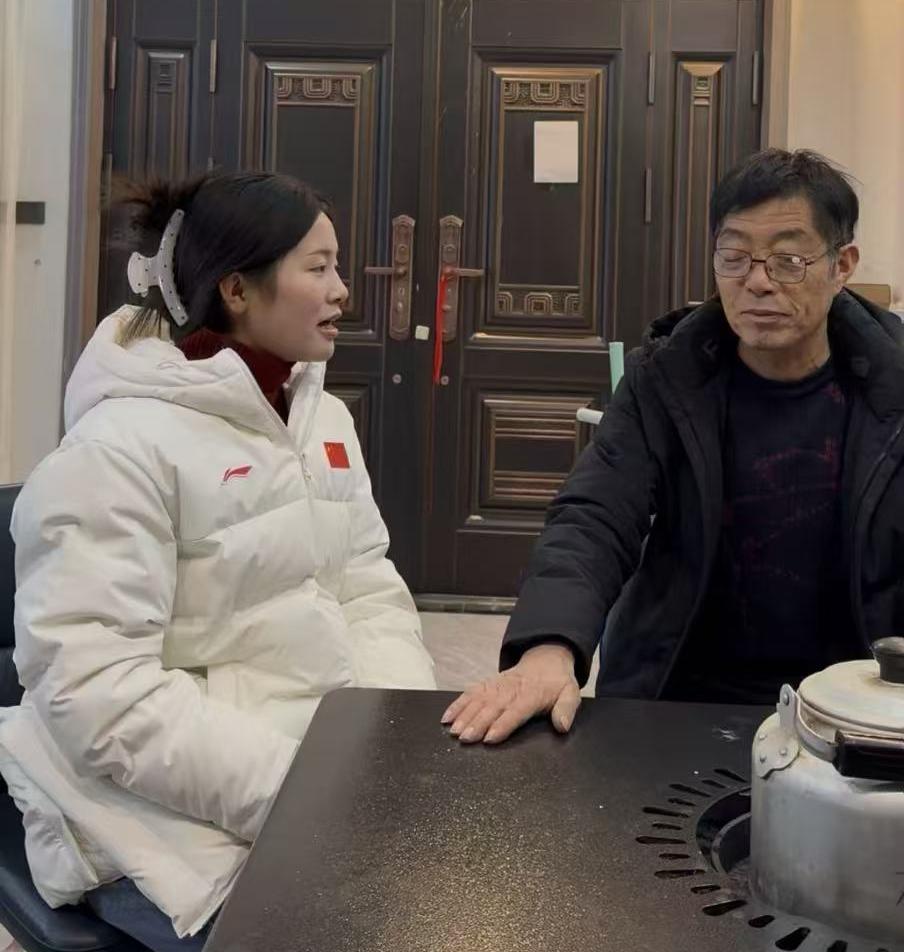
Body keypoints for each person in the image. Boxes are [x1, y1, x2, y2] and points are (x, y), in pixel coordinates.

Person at [0, 171, 435, 951]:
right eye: (319, 267)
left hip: (316, 784)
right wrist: (298, 791)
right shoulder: (117, 449)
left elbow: (368, 590)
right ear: (237, 289)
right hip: (153, 824)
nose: (342, 290)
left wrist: (391, 741)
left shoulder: (322, 419)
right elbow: (96, 693)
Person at [443, 148, 904, 744]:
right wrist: (548, 648)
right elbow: (596, 515)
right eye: (734, 257)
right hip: (680, 694)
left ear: (842, 266)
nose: (757, 281)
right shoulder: (668, 377)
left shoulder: (892, 387)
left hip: (853, 707)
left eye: (788, 261)